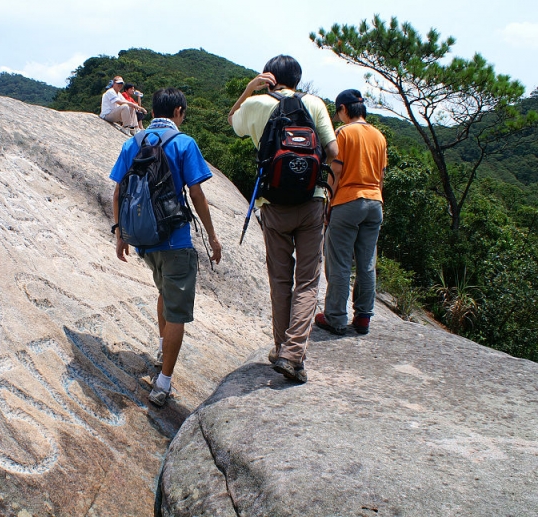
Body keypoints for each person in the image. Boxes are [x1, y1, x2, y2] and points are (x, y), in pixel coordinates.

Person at [228, 55, 338, 383]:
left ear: (270, 77)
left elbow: (230, 121)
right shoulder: (315, 104)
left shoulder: (256, 104)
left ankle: (281, 349)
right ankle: (293, 354)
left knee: (280, 280)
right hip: (311, 201)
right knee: (307, 281)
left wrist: (249, 88)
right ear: (298, 79)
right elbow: (332, 150)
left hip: (272, 203)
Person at [110, 87, 222, 406]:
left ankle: (162, 348)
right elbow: (197, 194)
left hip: (145, 242)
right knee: (177, 311)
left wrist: (120, 234)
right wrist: (212, 236)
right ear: (178, 113)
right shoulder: (183, 143)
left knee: (164, 292)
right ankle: (163, 383)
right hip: (175, 241)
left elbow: (118, 192)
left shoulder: (132, 143)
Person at [315, 89, 388, 336]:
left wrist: (328, 204)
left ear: (344, 109)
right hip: (374, 203)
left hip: (347, 202)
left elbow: (335, 170)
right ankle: (363, 317)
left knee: (340, 262)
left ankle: (335, 317)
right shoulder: (379, 136)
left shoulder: (343, 133)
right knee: (367, 263)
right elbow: (381, 176)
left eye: (338, 112)